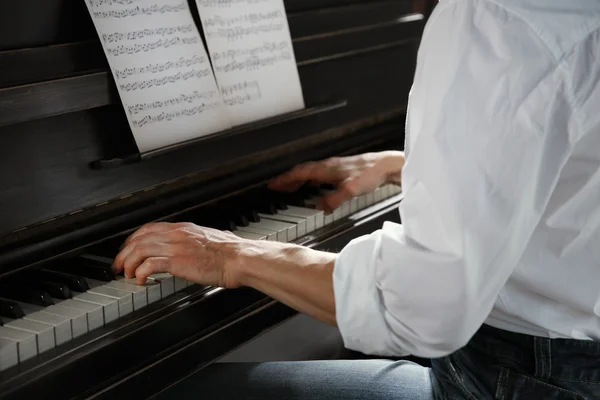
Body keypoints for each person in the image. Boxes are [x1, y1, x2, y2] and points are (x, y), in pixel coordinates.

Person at [113, 0, 600, 398]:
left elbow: (421, 310)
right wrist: (413, 167)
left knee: (168, 390)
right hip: (567, 362)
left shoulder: (494, 18)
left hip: (523, 380)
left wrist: (234, 254)